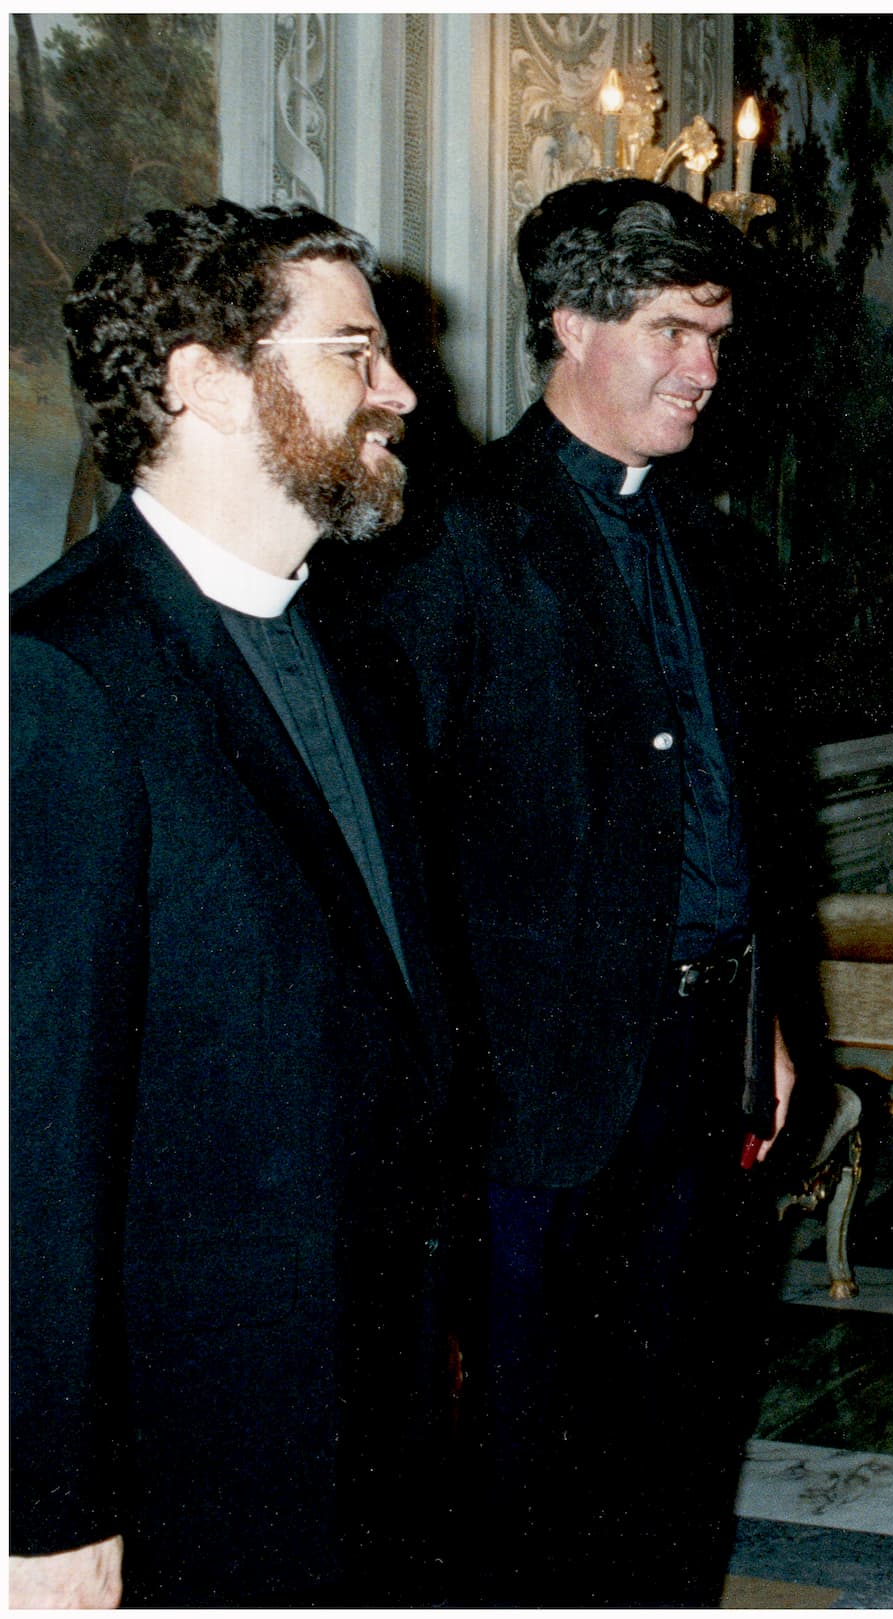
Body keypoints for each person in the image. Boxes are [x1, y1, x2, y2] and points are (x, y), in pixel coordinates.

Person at [10, 200, 449, 1605]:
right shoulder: (61, 673)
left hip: (371, 1384)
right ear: (200, 380)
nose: (400, 390)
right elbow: (33, 1138)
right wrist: (47, 1499)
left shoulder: (354, 639)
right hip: (189, 1429)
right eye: (353, 353)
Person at [378, 177, 800, 1605]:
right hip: (531, 1106)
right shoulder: (447, 541)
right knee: (521, 1478)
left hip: (700, 1076)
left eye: (719, 337)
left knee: (679, 1448)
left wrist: (767, 1024)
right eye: (676, 331)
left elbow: (739, 827)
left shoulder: (720, 550)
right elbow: (405, 856)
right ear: (566, 322)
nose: (706, 369)